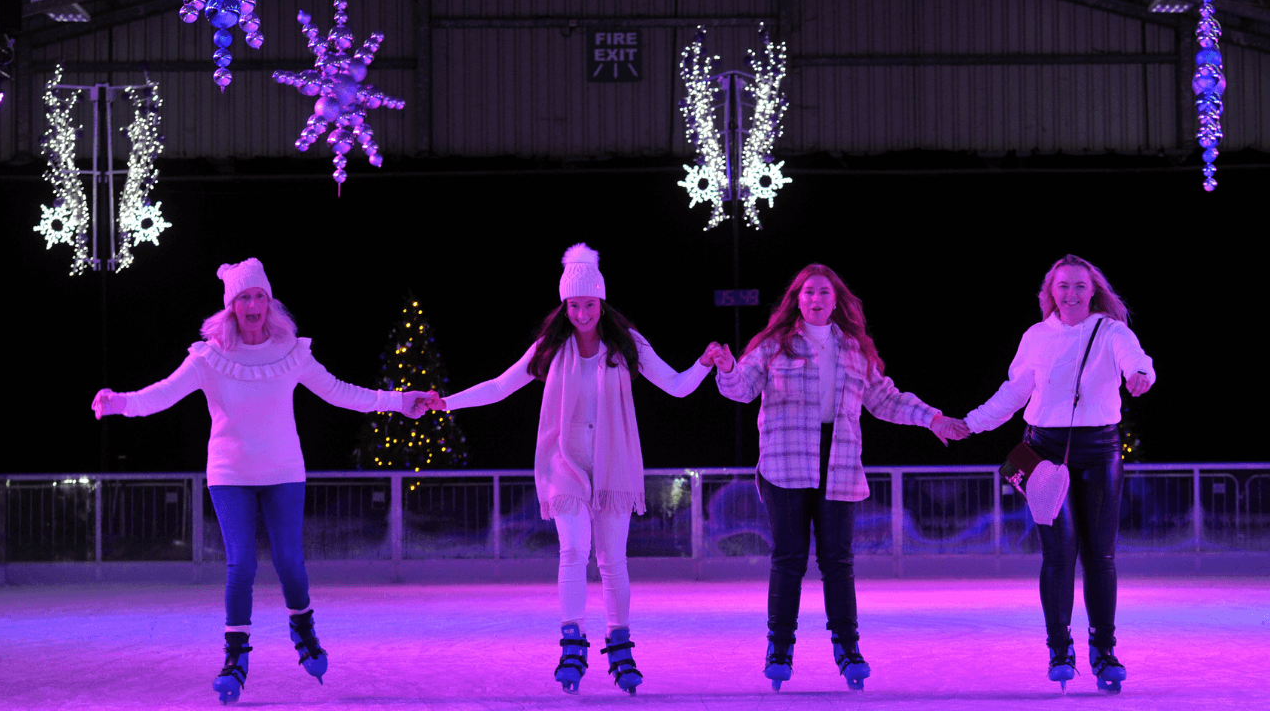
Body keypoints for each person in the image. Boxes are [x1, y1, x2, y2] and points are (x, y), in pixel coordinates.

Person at [90, 259, 434, 704]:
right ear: (231, 306)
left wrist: (401, 401)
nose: (252, 304)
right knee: (242, 565)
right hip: (229, 474)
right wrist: (120, 403)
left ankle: (304, 630)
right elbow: (162, 394)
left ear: (268, 303)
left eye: (259, 296)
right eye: (243, 297)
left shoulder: (291, 352)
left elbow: (342, 392)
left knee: (290, 561)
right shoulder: (209, 357)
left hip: (284, 472)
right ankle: (235, 659)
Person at [428, 243, 724, 695]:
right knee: (572, 552)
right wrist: (447, 402)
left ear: (601, 302)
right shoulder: (551, 347)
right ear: (564, 305)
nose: (581, 313)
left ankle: (620, 644)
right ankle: (571, 640)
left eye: (588, 304)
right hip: (562, 463)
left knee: (611, 560)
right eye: (573, 305)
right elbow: (500, 386)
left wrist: (705, 365)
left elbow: (678, 387)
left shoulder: (627, 345)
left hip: (614, 465)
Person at [711, 263, 969, 692]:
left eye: (824, 294)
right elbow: (740, 388)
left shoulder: (852, 349)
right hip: (786, 465)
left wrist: (933, 419)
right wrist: (725, 367)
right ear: (797, 299)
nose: (816, 300)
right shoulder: (775, 345)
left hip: (840, 465)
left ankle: (848, 648)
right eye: (808, 292)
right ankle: (779, 649)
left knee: (838, 562)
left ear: (836, 301)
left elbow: (885, 399)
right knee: (788, 559)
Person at [963, 254, 1154, 695]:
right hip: (1042, 451)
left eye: (1079, 286)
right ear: (1051, 292)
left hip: (1099, 449)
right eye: (1062, 286)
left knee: (1100, 556)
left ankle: (1104, 650)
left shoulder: (1110, 331)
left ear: (1093, 291)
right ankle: (1059, 648)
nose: (1070, 293)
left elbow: (1135, 358)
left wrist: (1140, 375)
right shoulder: (1036, 336)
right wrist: (971, 422)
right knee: (1059, 551)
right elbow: (1014, 391)